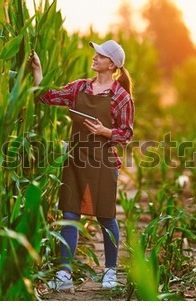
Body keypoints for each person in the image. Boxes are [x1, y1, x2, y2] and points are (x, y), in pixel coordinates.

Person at [28, 40, 134, 291]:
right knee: (69, 214)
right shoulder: (80, 87)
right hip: (75, 159)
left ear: (112, 65)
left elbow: (127, 134)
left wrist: (105, 131)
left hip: (103, 162)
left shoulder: (121, 97)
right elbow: (46, 96)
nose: (95, 57)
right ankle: (64, 274)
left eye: (101, 55)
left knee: (106, 217)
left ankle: (110, 271)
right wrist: (37, 71)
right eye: (96, 54)